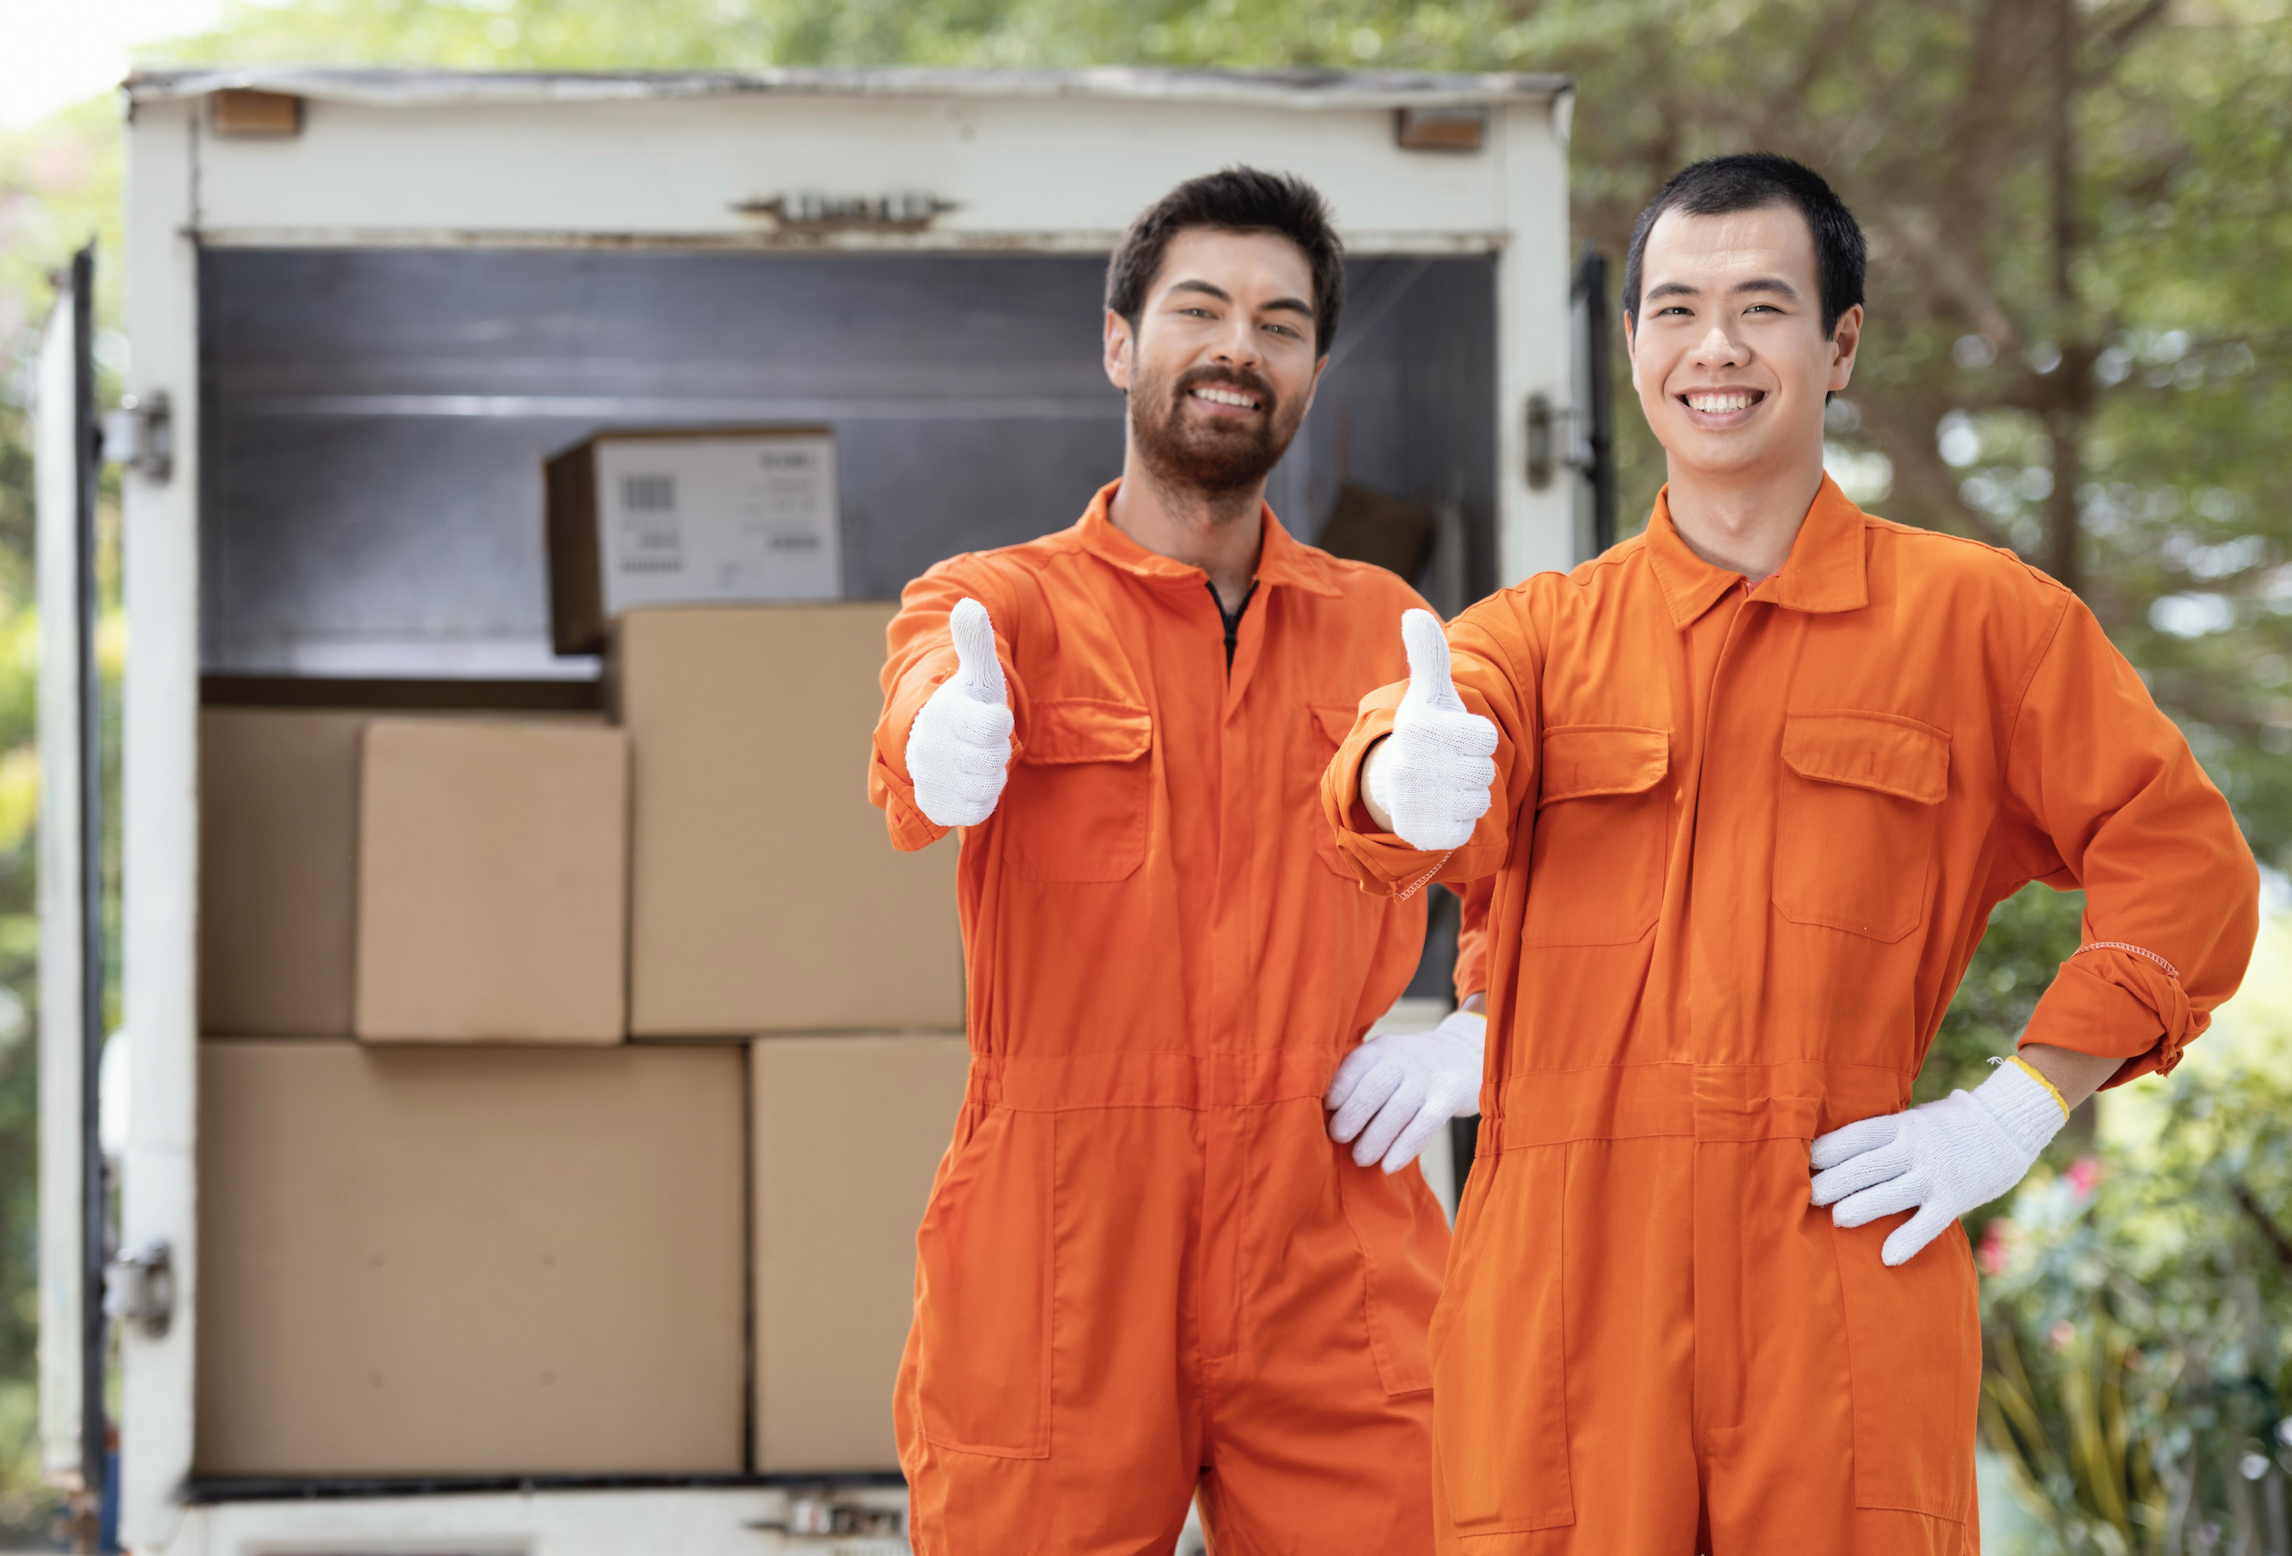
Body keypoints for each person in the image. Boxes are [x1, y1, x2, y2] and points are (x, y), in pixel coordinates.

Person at [1320, 152, 2259, 1556]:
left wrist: (2020, 1105)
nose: (1714, 348)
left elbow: (2187, 864)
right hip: (1566, 1301)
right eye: (1675, 308)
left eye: (1761, 306)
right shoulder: (1533, 637)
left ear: (1841, 345)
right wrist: (1400, 775)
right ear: (1632, 344)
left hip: (1838, 1265)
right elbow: (1404, 753)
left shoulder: (1978, 625)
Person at [871, 167, 1483, 1556]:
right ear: (1119, 342)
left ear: (1316, 368)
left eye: (1280, 323)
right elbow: (915, 721)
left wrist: (1481, 1020)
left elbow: (1523, 861)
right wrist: (939, 742)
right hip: (1062, 1240)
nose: (1236, 347)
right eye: (1198, 308)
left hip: (1328, 1223)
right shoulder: (995, 605)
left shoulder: (1387, 629)